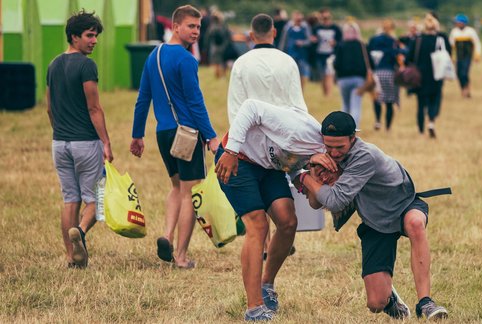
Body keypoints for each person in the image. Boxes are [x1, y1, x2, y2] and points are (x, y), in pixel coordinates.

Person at [297, 111, 450, 321]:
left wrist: (304, 178)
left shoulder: (365, 155)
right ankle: (390, 299)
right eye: (328, 146)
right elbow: (316, 203)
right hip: (375, 220)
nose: (333, 152)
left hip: (403, 204)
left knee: (415, 223)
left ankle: (425, 303)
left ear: (353, 138)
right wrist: (313, 170)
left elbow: (334, 201)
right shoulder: (323, 155)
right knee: (376, 303)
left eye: (339, 147)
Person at [223, 13, 309, 321]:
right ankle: (254, 307)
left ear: (250, 34)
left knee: (287, 222)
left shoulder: (256, 63)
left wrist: (297, 162)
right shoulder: (279, 62)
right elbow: (242, 113)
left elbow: (295, 111)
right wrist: (233, 149)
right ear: (274, 31)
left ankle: (267, 283)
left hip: (273, 159)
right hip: (242, 158)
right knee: (257, 226)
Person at [130, 5, 220, 269]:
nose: (196, 32)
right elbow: (196, 104)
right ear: (176, 26)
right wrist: (212, 137)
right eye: (191, 26)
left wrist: (137, 135)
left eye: (199, 27)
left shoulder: (153, 55)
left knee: (176, 188)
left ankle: (167, 235)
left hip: (164, 133)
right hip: (188, 134)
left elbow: (142, 99)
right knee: (190, 193)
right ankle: (180, 256)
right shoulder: (186, 59)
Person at [46, 9, 113, 269]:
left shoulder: (53, 64)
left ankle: (71, 257)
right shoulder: (86, 65)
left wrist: (60, 131)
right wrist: (106, 142)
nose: (94, 41)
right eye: (89, 35)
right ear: (74, 37)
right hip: (85, 142)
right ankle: (81, 232)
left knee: (70, 200)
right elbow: (94, 108)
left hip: (59, 143)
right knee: (98, 198)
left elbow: (49, 108)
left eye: (95, 36)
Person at [407, 13, 451, 138]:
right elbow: (448, 54)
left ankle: (421, 131)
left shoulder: (417, 40)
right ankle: (431, 122)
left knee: (421, 104)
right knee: (434, 100)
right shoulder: (441, 39)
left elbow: (409, 58)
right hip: (436, 75)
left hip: (420, 76)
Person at [367, 18, 406, 131]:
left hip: (376, 73)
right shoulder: (393, 41)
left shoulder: (373, 40)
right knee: (389, 102)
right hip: (390, 73)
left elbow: (368, 54)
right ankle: (388, 127)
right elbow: (399, 56)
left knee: (376, 99)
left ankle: (378, 121)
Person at [332, 21, 368, 127]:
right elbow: (369, 63)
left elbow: (336, 64)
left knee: (345, 105)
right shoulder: (362, 45)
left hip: (343, 79)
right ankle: (354, 130)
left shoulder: (341, 45)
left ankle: (344, 130)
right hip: (359, 79)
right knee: (356, 106)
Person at [311, 8, 342, 96]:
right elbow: (312, 39)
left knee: (329, 74)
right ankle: (325, 93)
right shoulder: (316, 28)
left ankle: (329, 94)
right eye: (323, 18)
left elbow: (341, 41)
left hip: (331, 54)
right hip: (319, 54)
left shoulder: (335, 28)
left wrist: (335, 43)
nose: (325, 20)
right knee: (322, 75)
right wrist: (313, 40)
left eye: (327, 17)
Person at [449, 13, 481, 98]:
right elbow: (451, 46)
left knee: (464, 73)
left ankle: (467, 89)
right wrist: (451, 56)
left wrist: (477, 55)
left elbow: (477, 43)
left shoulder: (471, 31)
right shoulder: (454, 32)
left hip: (467, 56)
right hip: (459, 57)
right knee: (458, 74)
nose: (457, 24)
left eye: (459, 22)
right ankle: (463, 89)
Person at [278, 11, 312, 89]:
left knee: (302, 73)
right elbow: (283, 41)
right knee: (290, 73)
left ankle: (301, 90)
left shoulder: (305, 27)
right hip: (291, 53)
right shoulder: (288, 27)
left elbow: (309, 41)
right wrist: (281, 52)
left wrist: (302, 43)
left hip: (302, 54)